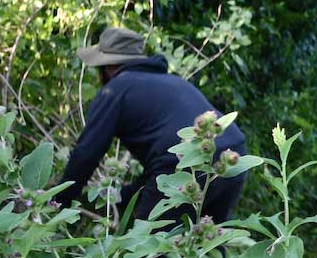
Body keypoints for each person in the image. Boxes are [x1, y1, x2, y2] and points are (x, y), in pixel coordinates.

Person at [57, 26, 248, 224]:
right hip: (233, 159)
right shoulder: (172, 82)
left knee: (149, 246)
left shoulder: (115, 90)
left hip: (190, 163)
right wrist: (126, 195)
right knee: (209, 243)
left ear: (107, 67)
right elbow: (163, 162)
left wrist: (58, 203)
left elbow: (86, 154)